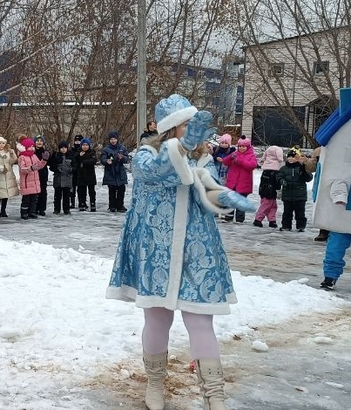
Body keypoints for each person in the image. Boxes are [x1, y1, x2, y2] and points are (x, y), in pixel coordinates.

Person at [106, 94, 257, 410]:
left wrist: (225, 197)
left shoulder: (204, 160)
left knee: (201, 322)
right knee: (158, 320)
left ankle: (214, 394)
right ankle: (156, 384)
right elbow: (161, 171)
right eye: (186, 127)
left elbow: (206, 187)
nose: (195, 133)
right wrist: (183, 146)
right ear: (171, 129)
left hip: (197, 252)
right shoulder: (146, 156)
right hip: (156, 253)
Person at [278, 148, 313, 232]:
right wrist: (281, 181)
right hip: (287, 195)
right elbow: (279, 176)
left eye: (293, 157)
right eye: (289, 157)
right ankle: (286, 225)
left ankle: (301, 226)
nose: (291, 158)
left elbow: (308, 178)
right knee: (287, 212)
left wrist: (303, 169)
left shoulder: (301, 167)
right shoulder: (284, 168)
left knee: (300, 212)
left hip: (300, 195)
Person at [253, 145, 284, 227]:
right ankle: (258, 219)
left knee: (273, 205)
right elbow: (276, 183)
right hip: (269, 191)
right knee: (266, 205)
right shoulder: (276, 170)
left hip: (264, 190)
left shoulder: (265, 170)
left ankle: (272, 220)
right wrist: (278, 187)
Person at [18, 138, 49, 219]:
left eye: (32, 146)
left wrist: (44, 160)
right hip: (26, 183)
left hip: (35, 182)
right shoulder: (22, 157)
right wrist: (31, 168)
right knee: (26, 200)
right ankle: (24, 212)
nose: (32, 148)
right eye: (29, 146)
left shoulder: (34, 156)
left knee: (34, 200)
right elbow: (22, 169)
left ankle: (32, 212)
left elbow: (39, 166)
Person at [101, 130, 130, 212]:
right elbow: (102, 159)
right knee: (112, 190)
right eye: (111, 139)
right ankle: (112, 205)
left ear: (117, 139)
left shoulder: (122, 148)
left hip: (120, 172)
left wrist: (122, 158)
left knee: (121, 189)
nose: (113, 141)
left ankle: (120, 205)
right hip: (110, 172)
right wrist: (106, 161)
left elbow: (127, 159)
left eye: (114, 139)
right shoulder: (106, 149)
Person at [0, 135, 19, 218]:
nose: (1, 145)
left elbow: (12, 161)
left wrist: (12, 153)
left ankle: (3, 210)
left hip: (7, 175)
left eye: (3, 143)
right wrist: (0, 168)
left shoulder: (7, 152)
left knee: (5, 194)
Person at [48, 140, 75, 214]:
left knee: (66, 196)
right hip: (58, 179)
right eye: (62, 148)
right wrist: (56, 168)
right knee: (57, 196)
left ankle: (66, 209)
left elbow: (75, 166)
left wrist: (72, 169)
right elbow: (51, 166)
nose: (63, 149)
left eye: (65, 148)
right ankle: (57, 209)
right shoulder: (56, 156)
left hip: (67, 178)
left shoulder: (71, 156)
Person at [75, 138, 98, 211]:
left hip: (90, 175)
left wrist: (83, 162)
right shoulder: (78, 153)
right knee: (81, 190)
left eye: (86, 145)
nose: (85, 146)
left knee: (91, 191)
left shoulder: (92, 153)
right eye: (83, 145)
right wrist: (79, 157)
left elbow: (93, 161)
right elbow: (75, 161)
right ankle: (82, 203)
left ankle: (92, 203)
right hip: (81, 175)